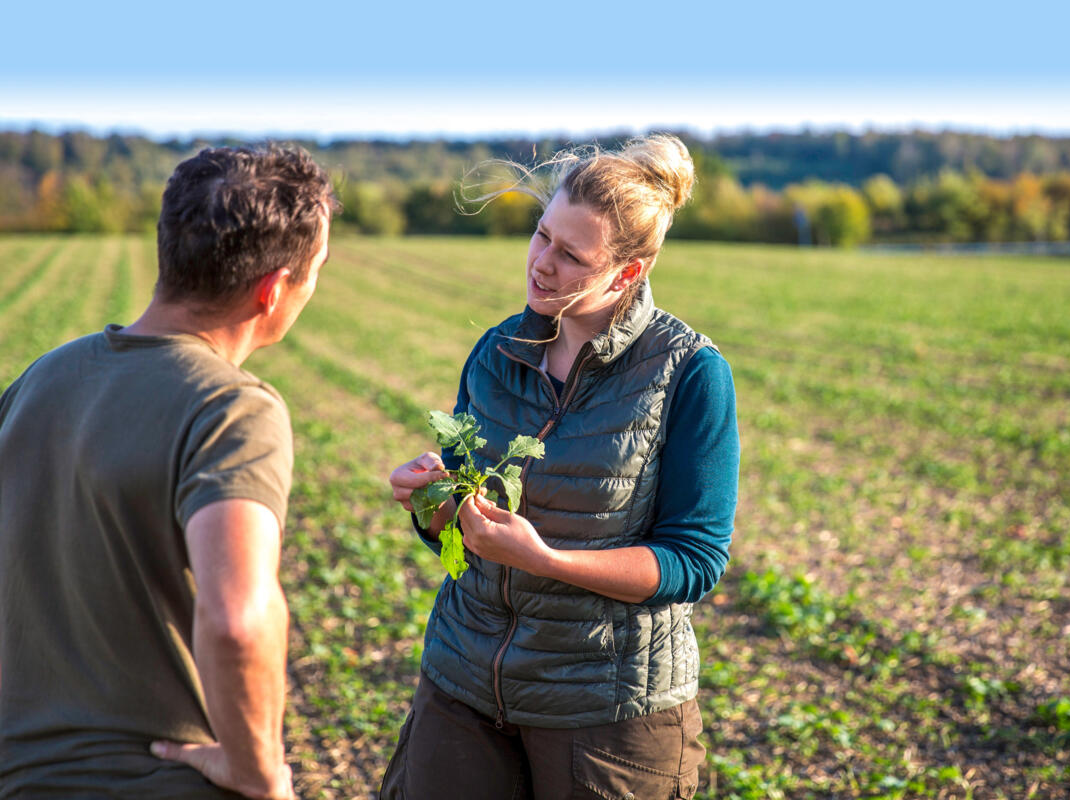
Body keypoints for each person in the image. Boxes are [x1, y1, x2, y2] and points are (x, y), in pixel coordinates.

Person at [384, 134, 740, 799]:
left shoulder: (688, 372)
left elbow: (694, 560)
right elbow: (459, 528)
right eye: (542, 236)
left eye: (572, 254)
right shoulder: (496, 352)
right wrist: (431, 502)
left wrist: (546, 559)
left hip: (605, 712)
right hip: (463, 688)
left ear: (627, 273)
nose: (542, 264)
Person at [0, 145, 336, 799]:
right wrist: (258, 772)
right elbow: (239, 616)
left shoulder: (41, 379)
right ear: (273, 289)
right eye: (315, 270)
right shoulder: (232, 409)